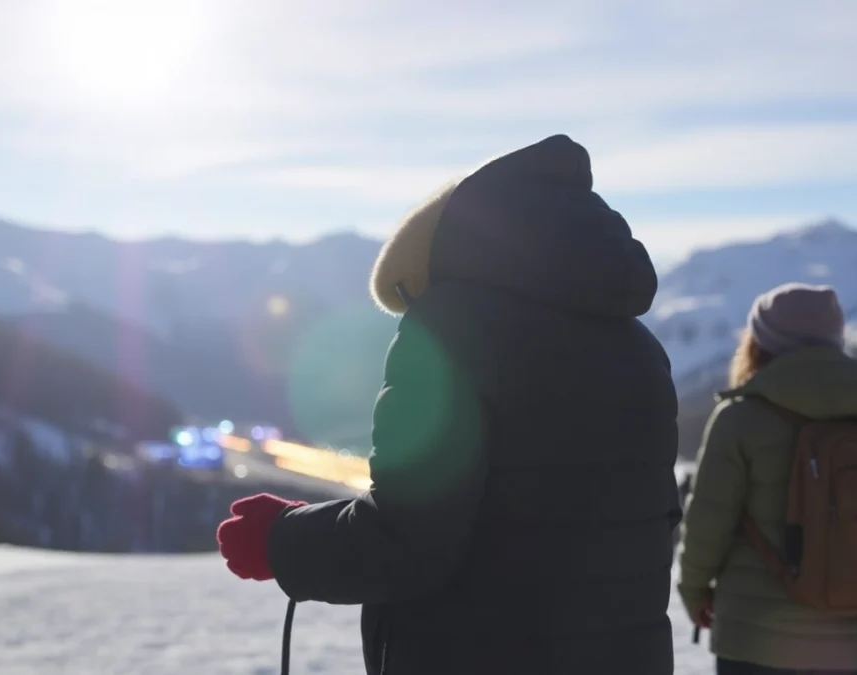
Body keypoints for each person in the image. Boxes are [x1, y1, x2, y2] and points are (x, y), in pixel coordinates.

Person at [217, 134, 681, 675]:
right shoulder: (638, 346)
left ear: (433, 267)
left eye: (407, 299)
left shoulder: (451, 330)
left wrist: (282, 539)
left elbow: (407, 539)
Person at [678, 283, 857, 675]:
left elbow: (709, 521)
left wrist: (693, 590)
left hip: (758, 638)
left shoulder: (740, 419)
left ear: (760, 344)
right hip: (854, 637)